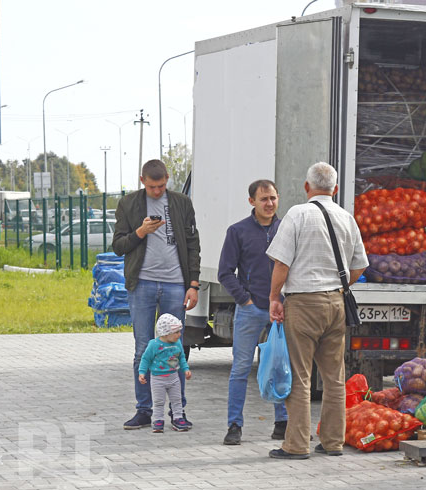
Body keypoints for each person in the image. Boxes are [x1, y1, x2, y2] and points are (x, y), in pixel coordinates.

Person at [266, 162, 368, 459]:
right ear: (335, 189)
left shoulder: (297, 214)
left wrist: (274, 297)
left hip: (303, 303)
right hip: (336, 303)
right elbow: (359, 265)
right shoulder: (346, 218)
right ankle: (333, 441)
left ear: (306, 186)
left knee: (300, 375)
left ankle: (296, 444)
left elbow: (281, 263)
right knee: (334, 377)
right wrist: (337, 286)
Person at [112, 159, 201, 431]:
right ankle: (144, 410)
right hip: (142, 284)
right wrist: (141, 232)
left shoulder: (181, 202)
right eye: (152, 187)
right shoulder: (128, 204)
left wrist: (193, 284)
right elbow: (118, 246)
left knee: (174, 348)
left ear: (167, 179)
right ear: (142, 181)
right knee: (143, 348)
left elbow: (193, 243)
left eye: (161, 186)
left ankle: (178, 411)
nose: (157, 191)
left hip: (176, 284)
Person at [217, 179, 289, 445]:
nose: (269, 203)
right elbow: (225, 272)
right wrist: (244, 300)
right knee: (240, 369)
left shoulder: (287, 229)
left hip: (280, 311)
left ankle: (282, 423)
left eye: (273, 198)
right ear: (252, 202)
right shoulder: (238, 231)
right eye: (263, 199)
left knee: (280, 367)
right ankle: (234, 425)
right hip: (251, 310)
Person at [138, 314, 192, 432]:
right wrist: (142, 372)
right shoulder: (154, 345)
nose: (179, 335)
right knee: (158, 401)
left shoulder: (177, 343)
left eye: (179, 331)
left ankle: (178, 418)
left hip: (174, 377)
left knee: (177, 399)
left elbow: (181, 357)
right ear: (166, 333)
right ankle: (158, 420)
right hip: (158, 379)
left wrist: (186, 369)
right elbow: (146, 359)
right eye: (176, 332)